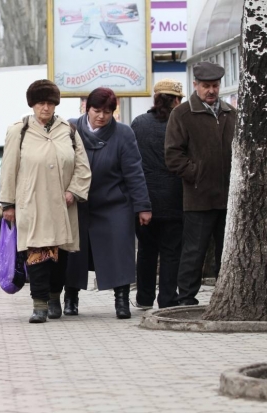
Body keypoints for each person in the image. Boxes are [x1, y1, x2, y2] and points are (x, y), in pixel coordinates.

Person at [0, 79, 91, 324]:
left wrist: (74, 191)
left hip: (63, 205)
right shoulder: (19, 130)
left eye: (50, 103)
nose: (46, 108)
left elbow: (83, 167)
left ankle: (54, 297)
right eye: (41, 103)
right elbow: (8, 169)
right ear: (32, 105)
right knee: (37, 255)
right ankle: (39, 304)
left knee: (60, 256)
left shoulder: (68, 130)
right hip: (32, 202)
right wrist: (8, 204)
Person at [64, 87, 151, 319]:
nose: (101, 116)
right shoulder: (71, 129)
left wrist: (143, 206)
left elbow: (134, 171)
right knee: (74, 252)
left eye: (107, 111)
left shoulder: (123, 133)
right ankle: (70, 297)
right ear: (86, 108)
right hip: (78, 203)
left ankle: (121, 301)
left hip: (114, 202)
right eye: (96, 110)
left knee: (120, 250)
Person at [165, 61, 237, 306]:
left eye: (215, 85)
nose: (211, 91)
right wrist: (196, 173)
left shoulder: (230, 113)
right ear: (195, 85)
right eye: (206, 86)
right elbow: (173, 156)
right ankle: (186, 297)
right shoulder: (182, 114)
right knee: (194, 251)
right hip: (198, 196)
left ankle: (225, 297)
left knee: (227, 252)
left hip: (228, 196)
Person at [131, 79, 185, 309]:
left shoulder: (139, 123)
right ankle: (168, 300)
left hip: (145, 200)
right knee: (171, 252)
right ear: (175, 100)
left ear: (155, 98)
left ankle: (144, 299)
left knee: (146, 251)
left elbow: (133, 163)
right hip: (175, 199)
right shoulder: (181, 124)